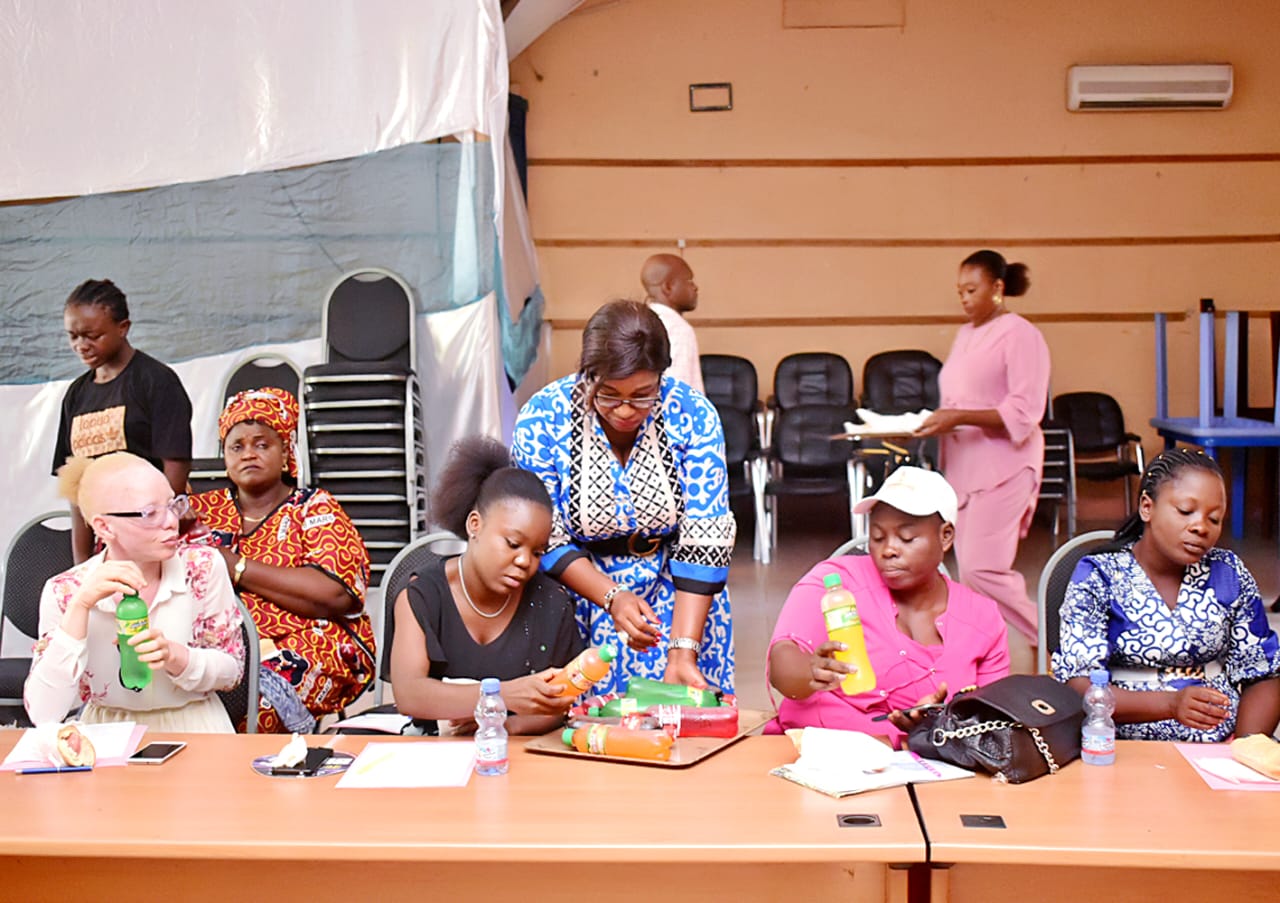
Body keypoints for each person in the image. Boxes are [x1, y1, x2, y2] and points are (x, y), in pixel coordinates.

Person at [512, 299, 736, 695]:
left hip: (681, 598)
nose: (626, 410)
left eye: (643, 394)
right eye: (609, 394)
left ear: (662, 378)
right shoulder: (543, 419)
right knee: (587, 721)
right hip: (578, 596)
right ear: (587, 373)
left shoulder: (693, 414)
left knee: (683, 717)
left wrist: (682, 651)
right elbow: (545, 535)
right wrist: (611, 597)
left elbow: (706, 535)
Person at [767, 466, 1009, 746]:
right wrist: (809, 671)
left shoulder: (982, 619)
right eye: (878, 537)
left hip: (930, 763)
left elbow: (993, 723)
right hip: (821, 752)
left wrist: (934, 724)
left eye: (906, 538)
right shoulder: (835, 584)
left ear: (945, 536)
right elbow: (781, 664)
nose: (888, 550)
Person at [1054, 449, 1280, 742]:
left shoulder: (1228, 573)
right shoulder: (1100, 575)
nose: (1200, 527)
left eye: (1214, 519)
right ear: (1147, 507)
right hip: (1116, 744)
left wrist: (1243, 750)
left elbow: (1263, 673)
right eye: (1185, 511)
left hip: (1218, 747)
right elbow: (1078, 687)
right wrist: (1171, 704)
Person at [188, 387, 375, 732]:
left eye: (262, 444)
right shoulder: (202, 511)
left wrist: (237, 567)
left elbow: (335, 594)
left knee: (253, 706)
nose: (248, 454)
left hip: (309, 639)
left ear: (286, 451)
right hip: (217, 642)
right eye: (236, 446)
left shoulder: (313, 508)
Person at [25, 452, 244, 732]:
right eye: (150, 513)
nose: (171, 521)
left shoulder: (201, 566)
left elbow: (232, 673)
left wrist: (176, 657)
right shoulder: (65, 591)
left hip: (197, 726)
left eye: (173, 505)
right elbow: (44, 712)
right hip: (106, 732)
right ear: (104, 526)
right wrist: (79, 608)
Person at [388, 436, 583, 735]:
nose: (524, 561)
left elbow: (559, 705)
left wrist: (504, 724)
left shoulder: (551, 604)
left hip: (516, 751)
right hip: (431, 752)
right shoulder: (421, 595)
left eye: (537, 552)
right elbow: (409, 694)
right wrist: (504, 696)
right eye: (513, 544)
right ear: (474, 525)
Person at [914, 250, 1049, 667]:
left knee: (982, 569)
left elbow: (1024, 410)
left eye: (972, 290)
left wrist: (957, 417)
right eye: (960, 291)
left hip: (1006, 466)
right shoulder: (965, 335)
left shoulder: (1021, 335)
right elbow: (959, 399)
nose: (964, 298)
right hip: (965, 466)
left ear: (998, 288)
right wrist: (936, 422)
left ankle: (1054, 639)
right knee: (968, 573)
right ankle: (981, 654)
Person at [53, 279, 194, 563]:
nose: (81, 346)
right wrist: (82, 564)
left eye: (92, 335)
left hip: (153, 536)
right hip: (106, 539)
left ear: (123, 328)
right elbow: (76, 486)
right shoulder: (77, 394)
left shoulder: (156, 381)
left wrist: (156, 529)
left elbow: (175, 467)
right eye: (73, 336)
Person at [641, 253, 705, 393]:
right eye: (689, 281)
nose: (695, 287)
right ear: (668, 287)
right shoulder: (678, 329)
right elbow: (678, 391)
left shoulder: (640, 322)